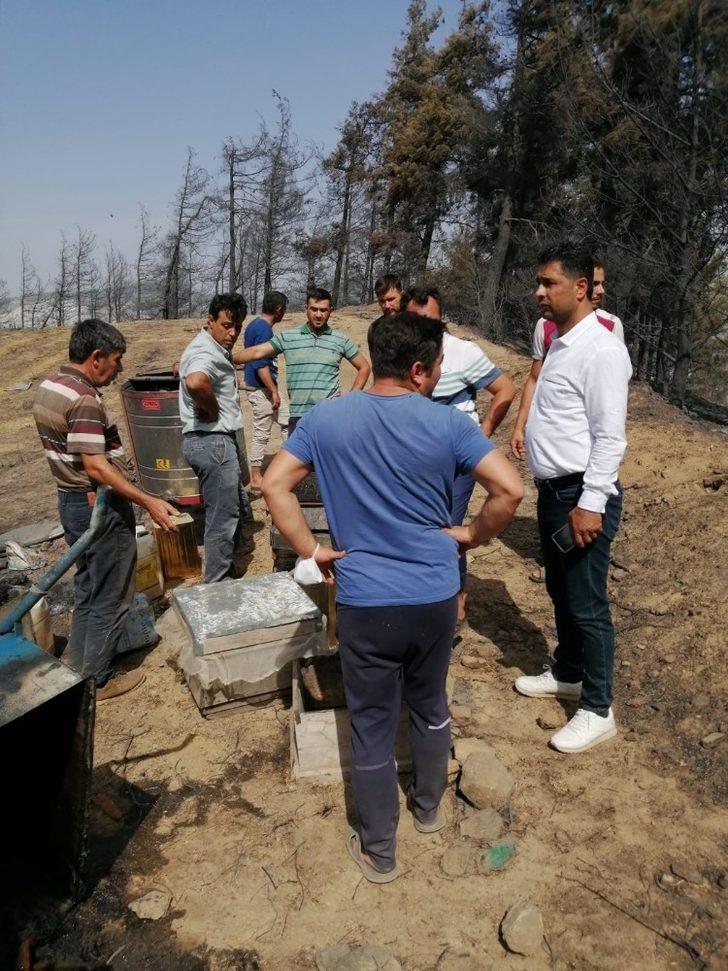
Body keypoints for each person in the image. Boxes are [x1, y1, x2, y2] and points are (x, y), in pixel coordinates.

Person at [261, 312, 523, 883]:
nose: (438, 377)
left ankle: (380, 849)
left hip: (365, 600)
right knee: (429, 705)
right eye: (438, 368)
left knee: (372, 723)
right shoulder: (449, 425)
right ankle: (428, 809)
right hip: (433, 595)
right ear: (420, 369)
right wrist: (470, 535)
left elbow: (274, 484)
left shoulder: (326, 418)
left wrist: (312, 550)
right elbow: (510, 489)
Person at [514, 243, 632, 753]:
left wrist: (590, 503)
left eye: (549, 283)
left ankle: (597, 708)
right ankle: (569, 672)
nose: (538, 292)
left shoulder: (601, 350)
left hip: (580, 494)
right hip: (553, 492)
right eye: (538, 282)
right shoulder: (560, 341)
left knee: (587, 604)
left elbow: (610, 437)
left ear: (580, 288)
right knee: (561, 591)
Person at [33, 319, 177, 700]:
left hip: (70, 500)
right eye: (116, 359)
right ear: (96, 357)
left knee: (88, 585)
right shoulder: (83, 398)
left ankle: (78, 668)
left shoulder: (51, 385)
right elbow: (97, 467)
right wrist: (148, 500)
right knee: (112, 593)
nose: (119, 368)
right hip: (97, 506)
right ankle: (96, 678)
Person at [404, 286, 516, 622]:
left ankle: (454, 604)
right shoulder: (399, 353)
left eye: (431, 320)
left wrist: (481, 436)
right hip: (413, 457)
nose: (424, 327)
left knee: (448, 529)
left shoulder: (462, 352)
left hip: (454, 463)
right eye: (416, 320)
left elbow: (505, 389)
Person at [510, 262, 624, 462]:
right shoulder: (544, 326)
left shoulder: (611, 325)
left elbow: (612, 393)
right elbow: (534, 379)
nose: (601, 291)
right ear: (579, 285)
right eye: (595, 284)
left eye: (602, 283)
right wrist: (520, 427)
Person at [179, 293, 251, 583]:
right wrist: (212, 408)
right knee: (222, 518)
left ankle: (230, 566)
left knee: (234, 505)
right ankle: (217, 584)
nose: (232, 333)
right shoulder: (205, 351)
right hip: (212, 441)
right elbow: (196, 381)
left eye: (238, 327)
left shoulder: (209, 347)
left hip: (212, 442)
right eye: (227, 325)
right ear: (210, 320)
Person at [234, 287, 371, 430]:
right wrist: (228, 358)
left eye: (323, 310)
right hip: (298, 418)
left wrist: (348, 401)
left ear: (331, 310)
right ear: (306, 309)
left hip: (329, 417)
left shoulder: (340, 340)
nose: (318, 315)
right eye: (314, 309)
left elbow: (364, 367)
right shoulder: (288, 337)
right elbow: (256, 352)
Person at [242, 290, 290, 490]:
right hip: (261, 389)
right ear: (278, 310)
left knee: (287, 421)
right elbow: (260, 364)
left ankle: (291, 465)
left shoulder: (254, 324)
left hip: (263, 387)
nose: (284, 313)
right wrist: (274, 391)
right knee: (262, 430)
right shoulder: (264, 329)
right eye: (284, 309)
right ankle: (255, 476)